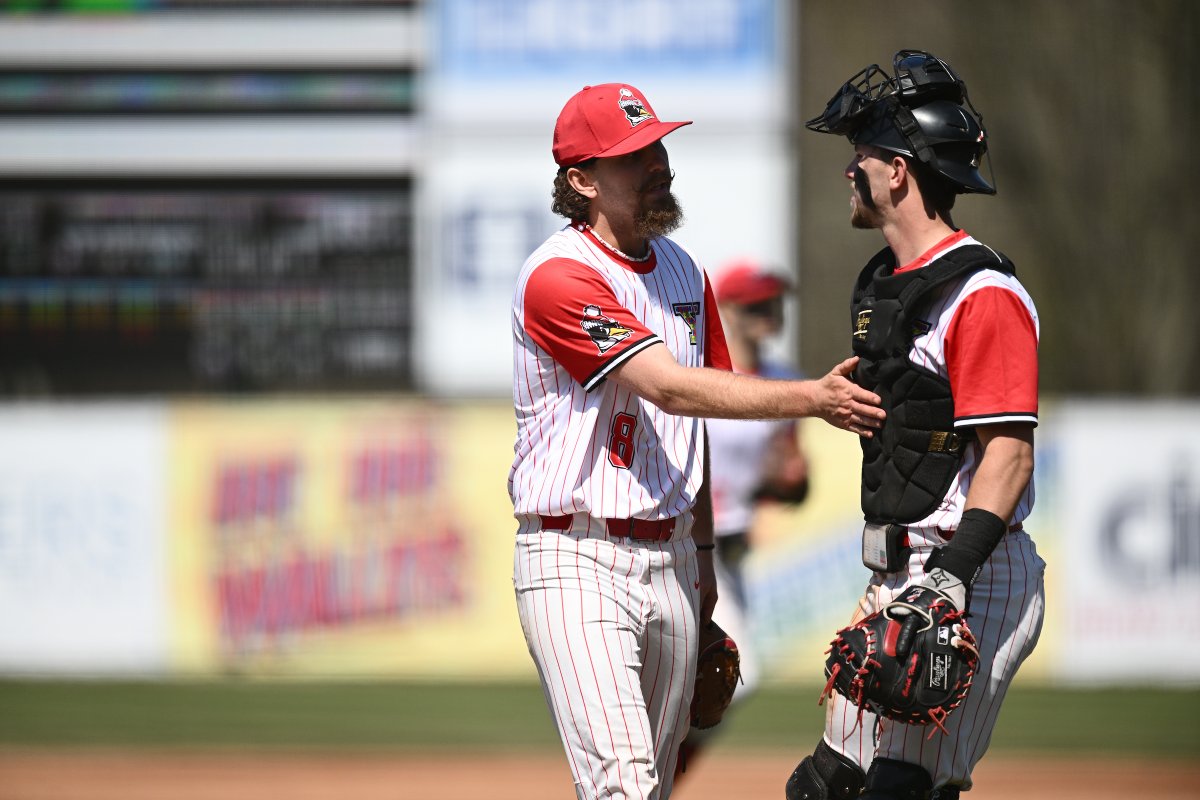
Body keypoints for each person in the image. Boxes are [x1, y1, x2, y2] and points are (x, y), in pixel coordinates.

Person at [509, 83, 885, 800]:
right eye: (631, 156)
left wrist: (704, 564)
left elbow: (693, 426)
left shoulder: (684, 272)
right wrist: (813, 397)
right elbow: (669, 388)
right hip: (575, 555)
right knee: (623, 783)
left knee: (653, 785)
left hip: (675, 557)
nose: (657, 162)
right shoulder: (559, 277)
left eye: (656, 145)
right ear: (581, 181)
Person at [783, 51, 1046, 800]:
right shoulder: (886, 288)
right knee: (825, 786)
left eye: (861, 153)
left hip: (970, 574)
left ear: (898, 170)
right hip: (899, 572)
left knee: (902, 789)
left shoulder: (982, 293)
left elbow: (1009, 460)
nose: (851, 169)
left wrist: (948, 583)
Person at [674, 259, 812, 780]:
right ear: (725, 309)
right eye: (755, 303)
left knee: (719, 680)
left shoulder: (783, 381)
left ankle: (658, 773)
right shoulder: (700, 377)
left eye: (773, 301)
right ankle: (657, 773)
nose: (768, 312)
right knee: (737, 671)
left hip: (730, 553)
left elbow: (792, 481)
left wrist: (790, 481)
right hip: (686, 540)